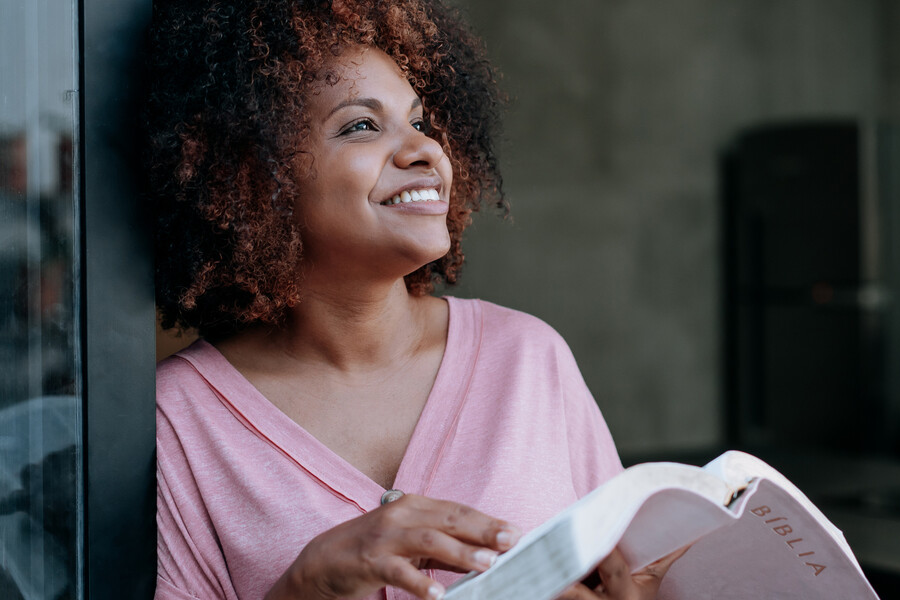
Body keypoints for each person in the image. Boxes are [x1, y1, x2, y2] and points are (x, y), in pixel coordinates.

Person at [147, 2, 685, 600]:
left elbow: (621, 576)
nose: (425, 151)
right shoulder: (177, 418)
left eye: (421, 123)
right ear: (249, 178)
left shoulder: (528, 357)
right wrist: (302, 587)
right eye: (361, 126)